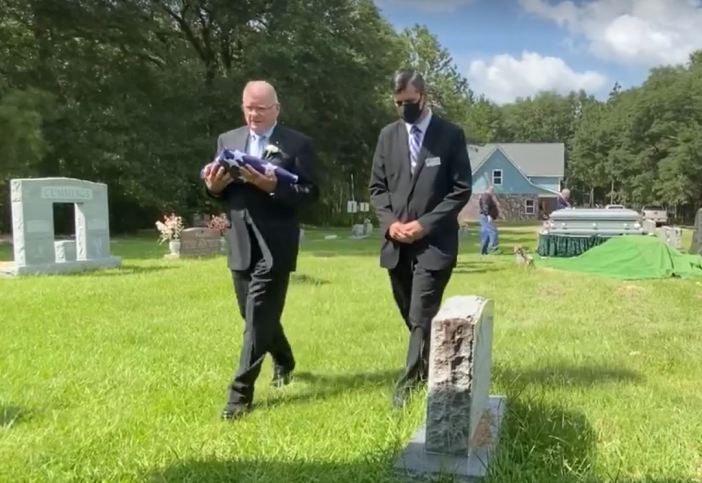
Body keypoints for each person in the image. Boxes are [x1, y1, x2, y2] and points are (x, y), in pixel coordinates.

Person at [203, 80, 319, 420]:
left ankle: (239, 396)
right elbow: (221, 192)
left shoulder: (298, 144)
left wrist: (271, 186)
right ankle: (284, 358)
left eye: (261, 108)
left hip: (276, 244)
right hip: (240, 241)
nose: (254, 114)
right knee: (252, 314)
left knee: (256, 320)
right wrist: (213, 188)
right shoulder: (227, 140)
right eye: (249, 108)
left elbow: (310, 193)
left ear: (276, 109)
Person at [368, 70, 472, 408]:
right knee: (411, 315)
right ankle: (430, 366)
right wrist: (390, 224)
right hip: (397, 245)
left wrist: (425, 225)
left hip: (434, 243)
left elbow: (460, 190)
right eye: (398, 103)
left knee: (421, 313)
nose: (404, 108)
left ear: (424, 97)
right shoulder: (387, 136)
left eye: (409, 102)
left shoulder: (450, 135)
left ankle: (408, 386)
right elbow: (377, 188)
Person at [479, 186, 500, 255]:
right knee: (493, 232)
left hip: (485, 217)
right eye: (492, 190)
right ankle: (494, 249)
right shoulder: (486, 196)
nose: (493, 191)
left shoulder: (487, 196)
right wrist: (488, 215)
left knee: (486, 234)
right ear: (488, 189)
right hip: (487, 217)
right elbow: (485, 206)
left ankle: (483, 250)